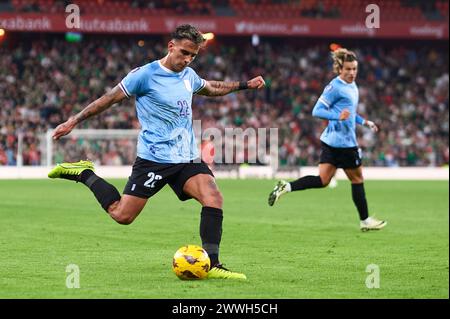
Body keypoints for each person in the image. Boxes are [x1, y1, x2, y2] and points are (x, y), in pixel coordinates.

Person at [48, 24, 266, 279]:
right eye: (184, 52)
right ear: (170, 46)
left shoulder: (188, 75)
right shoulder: (144, 75)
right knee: (122, 215)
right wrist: (74, 120)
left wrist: (244, 85)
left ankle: (213, 264)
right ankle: (84, 173)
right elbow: (108, 99)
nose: (187, 59)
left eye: (192, 55)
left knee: (213, 197)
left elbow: (210, 88)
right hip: (154, 160)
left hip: (186, 157)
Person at [268, 48, 386, 231]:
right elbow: (317, 111)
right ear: (340, 69)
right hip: (345, 144)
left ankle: (287, 187)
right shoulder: (335, 87)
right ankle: (365, 220)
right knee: (357, 179)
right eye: (348, 69)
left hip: (332, 142)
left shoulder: (352, 86)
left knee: (323, 180)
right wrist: (337, 116)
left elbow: (350, 113)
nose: (352, 73)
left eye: (354, 69)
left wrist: (364, 122)